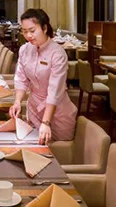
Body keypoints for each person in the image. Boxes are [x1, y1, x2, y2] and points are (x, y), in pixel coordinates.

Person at [10, 8, 77, 144]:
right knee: (33, 146)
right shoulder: (24, 50)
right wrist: (17, 102)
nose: (28, 35)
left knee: (57, 150)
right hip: (34, 107)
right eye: (25, 31)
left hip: (57, 111)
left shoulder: (57, 54)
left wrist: (46, 122)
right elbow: (21, 79)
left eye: (32, 30)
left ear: (45, 28)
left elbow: (54, 91)